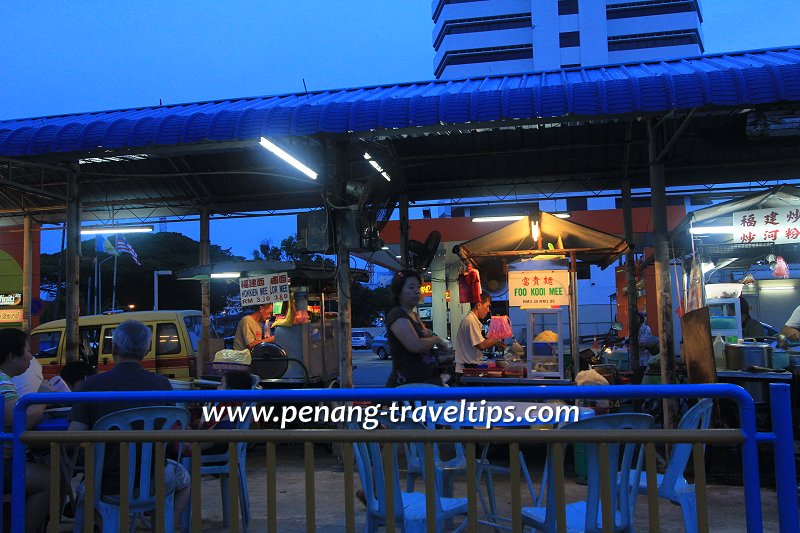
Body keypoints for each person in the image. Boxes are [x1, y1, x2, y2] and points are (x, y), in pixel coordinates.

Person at [67, 320, 190, 529]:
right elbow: (172, 435)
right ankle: (166, 525)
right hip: (154, 482)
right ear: (147, 350)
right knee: (184, 480)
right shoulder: (161, 385)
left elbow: (72, 438)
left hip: (104, 486)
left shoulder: (93, 385)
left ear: (114, 348)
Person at [0, 328, 51, 532]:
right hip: (4, 462)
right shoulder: (2, 381)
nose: (31, 356)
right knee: (49, 479)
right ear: (12, 356)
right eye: (28, 350)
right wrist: (42, 397)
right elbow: (21, 418)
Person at [384, 270, 450, 387]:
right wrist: (437, 339)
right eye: (411, 287)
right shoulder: (397, 315)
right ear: (399, 292)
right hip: (407, 387)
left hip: (423, 383)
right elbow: (416, 345)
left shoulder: (414, 315)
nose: (416, 291)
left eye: (418, 287)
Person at [454, 292, 506, 380]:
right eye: (487, 306)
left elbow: (482, 342)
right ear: (479, 305)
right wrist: (497, 336)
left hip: (470, 369)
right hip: (466, 371)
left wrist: (496, 342)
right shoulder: (470, 321)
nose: (488, 310)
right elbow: (482, 345)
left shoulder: (473, 321)